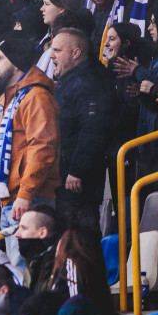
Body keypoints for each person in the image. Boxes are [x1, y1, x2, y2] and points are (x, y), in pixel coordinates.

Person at [0, 34, 59, 271]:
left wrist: (26, 193)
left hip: (30, 198)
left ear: (16, 63)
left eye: (0, 58)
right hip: (12, 198)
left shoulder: (36, 97)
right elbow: (1, 149)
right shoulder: (10, 97)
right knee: (18, 269)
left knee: (26, 269)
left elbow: (42, 148)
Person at [49, 29, 113, 228]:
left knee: (80, 241)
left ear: (75, 53)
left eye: (57, 50)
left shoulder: (86, 85)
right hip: (63, 178)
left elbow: (93, 129)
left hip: (77, 183)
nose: (51, 55)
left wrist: (77, 170)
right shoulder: (68, 84)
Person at [15, 205, 60, 291]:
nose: (16, 234)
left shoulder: (60, 265)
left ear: (42, 232)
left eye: (23, 228)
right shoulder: (32, 261)